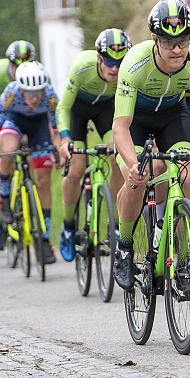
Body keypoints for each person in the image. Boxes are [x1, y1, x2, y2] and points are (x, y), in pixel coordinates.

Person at [112, 0, 190, 290]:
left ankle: (185, 258)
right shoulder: (135, 63)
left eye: (182, 40)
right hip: (136, 119)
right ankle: (125, 247)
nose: (177, 49)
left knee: (187, 175)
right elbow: (120, 127)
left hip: (172, 115)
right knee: (138, 180)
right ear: (155, 40)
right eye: (168, 42)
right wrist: (132, 166)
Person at [56, 28, 130, 262]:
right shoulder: (82, 66)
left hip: (105, 111)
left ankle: (115, 226)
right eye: (109, 62)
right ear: (99, 57)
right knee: (76, 169)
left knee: (117, 157)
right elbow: (63, 107)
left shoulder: (127, 72)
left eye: (120, 62)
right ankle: (68, 227)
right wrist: (66, 138)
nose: (115, 68)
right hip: (77, 111)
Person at [0, 61, 59, 263]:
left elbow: (56, 127)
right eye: (29, 94)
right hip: (15, 121)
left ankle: (44, 238)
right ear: (20, 88)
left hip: (39, 127)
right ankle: (5, 197)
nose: (34, 98)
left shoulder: (50, 95)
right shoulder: (10, 94)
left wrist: (58, 149)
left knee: (44, 180)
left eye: (38, 92)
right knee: (9, 150)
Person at [0, 40, 37, 229]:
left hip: (27, 117)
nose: (21, 72)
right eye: (16, 67)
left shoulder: (37, 75)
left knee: (34, 159)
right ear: (9, 64)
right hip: (1, 116)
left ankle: (34, 211)